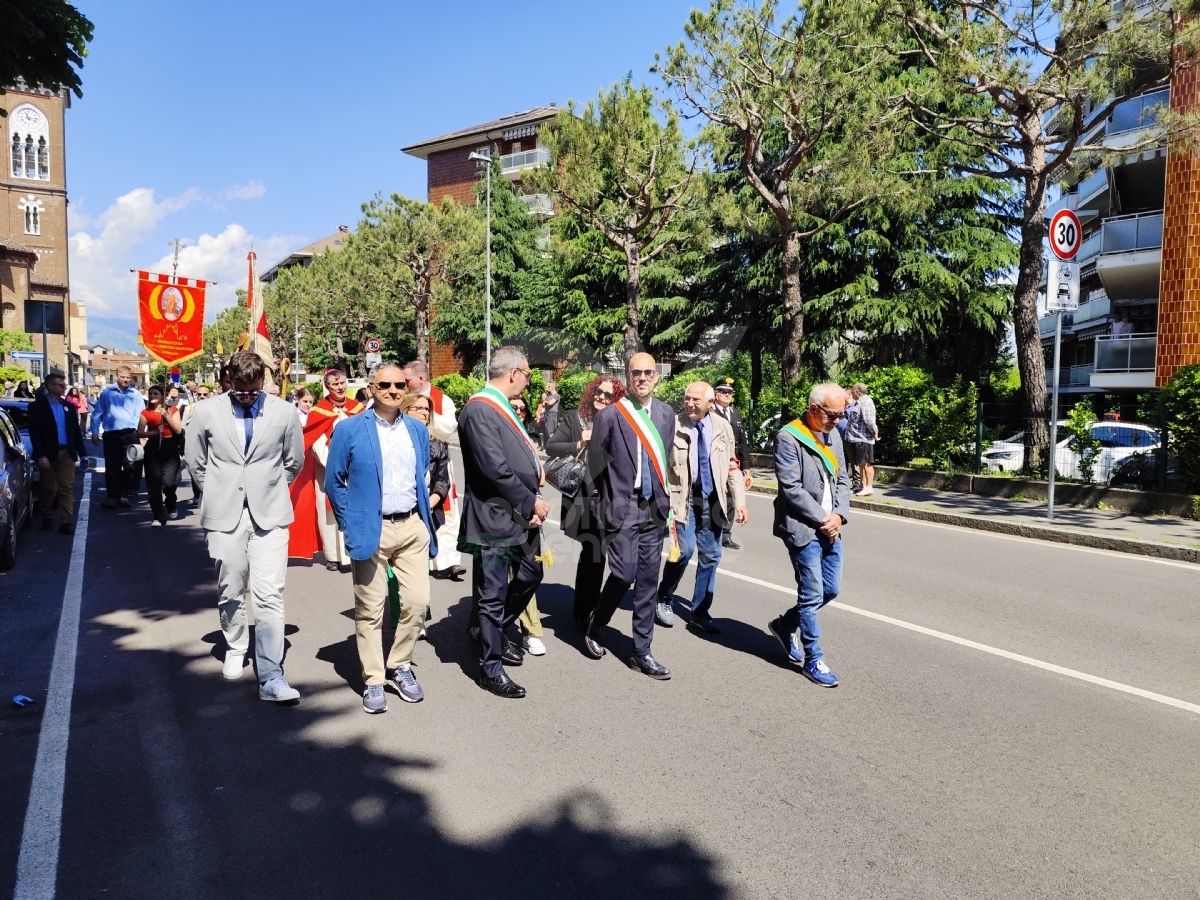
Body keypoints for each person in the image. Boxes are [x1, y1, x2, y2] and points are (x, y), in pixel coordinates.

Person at [184, 352, 305, 702]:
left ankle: (271, 676)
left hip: (270, 515)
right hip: (224, 516)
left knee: (270, 594)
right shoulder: (206, 412)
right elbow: (195, 461)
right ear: (228, 380)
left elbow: (293, 460)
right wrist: (218, 490)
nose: (248, 397)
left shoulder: (283, 411)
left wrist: (267, 488)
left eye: (254, 391)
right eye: (241, 392)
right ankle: (236, 646)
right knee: (230, 587)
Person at [327, 365, 439, 713]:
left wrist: (422, 517)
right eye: (385, 385)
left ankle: (400, 663)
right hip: (371, 530)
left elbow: (422, 475)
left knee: (417, 604)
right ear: (372, 388)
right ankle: (374, 679)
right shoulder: (348, 429)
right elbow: (335, 482)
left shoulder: (417, 430)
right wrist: (352, 522)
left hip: (410, 526)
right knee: (370, 609)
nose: (393, 390)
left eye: (399, 385)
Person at [457, 347, 548, 699]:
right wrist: (531, 502)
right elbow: (494, 468)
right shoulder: (480, 408)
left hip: (522, 517)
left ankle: (488, 628)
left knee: (532, 574)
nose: (527, 382)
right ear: (512, 373)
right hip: (496, 516)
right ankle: (490, 669)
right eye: (526, 375)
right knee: (493, 594)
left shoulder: (502, 407)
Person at [584, 352, 676, 680]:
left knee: (649, 580)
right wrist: (599, 509)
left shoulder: (666, 414)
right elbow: (595, 469)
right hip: (622, 506)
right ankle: (597, 623)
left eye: (648, 372)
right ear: (627, 376)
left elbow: (663, 461)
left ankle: (642, 651)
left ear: (656, 376)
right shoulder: (610, 416)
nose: (642, 377)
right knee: (624, 574)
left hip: (654, 507)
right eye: (636, 372)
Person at [767, 383, 851, 688]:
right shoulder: (789, 437)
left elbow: (843, 479)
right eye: (833, 415)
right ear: (814, 408)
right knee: (812, 593)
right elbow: (791, 489)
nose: (837, 421)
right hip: (803, 528)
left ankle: (784, 624)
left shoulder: (835, 434)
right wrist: (823, 519)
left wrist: (839, 515)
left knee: (832, 589)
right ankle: (814, 659)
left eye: (842, 414)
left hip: (832, 526)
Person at [656, 381, 748, 633]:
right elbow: (660, 464)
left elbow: (732, 466)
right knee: (683, 552)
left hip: (712, 499)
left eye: (696, 400)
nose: (690, 403)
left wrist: (739, 501)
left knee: (711, 556)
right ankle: (664, 597)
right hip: (682, 498)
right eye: (687, 398)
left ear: (710, 403)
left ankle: (699, 611)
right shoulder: (672, 425)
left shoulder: (723, 427)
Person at [546, 374, 626, 629]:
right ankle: (585, 612)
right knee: (593, 553)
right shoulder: (575, 419)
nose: (601, 397)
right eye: (598, 393)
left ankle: (590, 608)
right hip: (585, 496)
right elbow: (552, 446)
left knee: (603, 555)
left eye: (608, 395)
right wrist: (579, 442)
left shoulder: (620, 422)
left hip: (612, 495)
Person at [288, 369, 366, 570]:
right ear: (327, 387)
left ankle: (354, 552)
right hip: (328, 470)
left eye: (342, 383)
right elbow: (315, 442)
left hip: (356, 470)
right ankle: (333, 556)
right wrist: (334, 463)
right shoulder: (318, 411)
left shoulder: (357, 408)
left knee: (354, 510)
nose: (340, 387)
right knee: (329, 513)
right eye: (335, 384)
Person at [403, 359, 465, 579]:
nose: (404, 383)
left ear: (420, 378)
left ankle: (447, 562)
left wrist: (426, 413)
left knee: (446, 512)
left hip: (438, 457)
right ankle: (423, 558)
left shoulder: (442, 400)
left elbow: (448, 429)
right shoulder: (403, 397)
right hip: (411, 460)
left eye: (407, 379)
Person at [28, 371, 87, 535]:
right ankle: (47, 515)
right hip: (48, 454)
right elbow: (35, 433)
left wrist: (83, 454)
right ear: (50, 386)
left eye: (64, 385)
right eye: (60, 385)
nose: (63, 388)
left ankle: (66, 521)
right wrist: (40, 455)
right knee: (47, 488)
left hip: (66, 452)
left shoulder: (68, 406)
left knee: (66, 487)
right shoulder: (37, 407)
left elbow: (75, 431)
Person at [90, 366, 146, 509]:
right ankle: (112, 497)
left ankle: (123, 495)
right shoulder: (107, 393)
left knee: (130, 466)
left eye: (128, 377)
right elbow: (97, 413)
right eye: (123, 377)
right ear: (117, 376)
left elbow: (141, 415)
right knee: (112, 467)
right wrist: (95, 432)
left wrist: (141, 434)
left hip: (130, 434)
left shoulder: (136, 394)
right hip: (112, 435)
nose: (126, 380)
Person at [712, 377, 751, 549]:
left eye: (729, 392)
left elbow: (742, 441)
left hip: (733, 462)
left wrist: (746, 467)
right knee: (715, 498)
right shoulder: (710, 413)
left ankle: (725, 535)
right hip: (717, 461)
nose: (727, 394)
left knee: (730, 498)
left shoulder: (736, 414)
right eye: (723, 391)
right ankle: (712, 532)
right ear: (715, 394)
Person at [138, 385, 185, 526]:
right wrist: (153, 433)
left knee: (169, 483)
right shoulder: (145, 412)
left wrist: (166, 416)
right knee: (153, 484)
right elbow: (139, 432)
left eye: (156, 393)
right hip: (153, 447)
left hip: (169, 446)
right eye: (151, 394)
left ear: (162, 396)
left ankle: (171, 503)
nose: (153, 396)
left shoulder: (172, 410)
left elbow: (178, 429)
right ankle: (158, 516)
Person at [844, 383, 878, 497]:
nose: (851, 392)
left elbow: (869, 421)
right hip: (858, 438)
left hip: (865, 438)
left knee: (867, 463)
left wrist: (875, 433)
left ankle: (869, 487)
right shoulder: (859, 402)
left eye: (853, 390)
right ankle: (862, 486)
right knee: (862, 464)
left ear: (857, 392)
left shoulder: (866, 402)